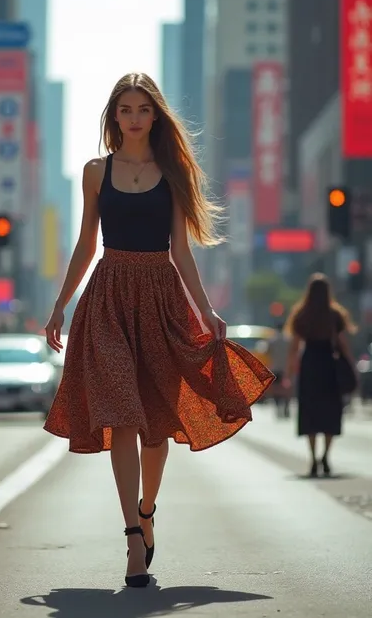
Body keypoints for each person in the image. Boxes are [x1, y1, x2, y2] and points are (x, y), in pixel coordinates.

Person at [43, 73, 274, 588]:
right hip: (108, 296)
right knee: (122, 413)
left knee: (154, 425)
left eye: (143, 109)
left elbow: (182, 251)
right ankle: (131, 538)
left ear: (155, 116)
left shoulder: (172, 173)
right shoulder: (94, 172)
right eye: (125, 109)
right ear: (114, 117)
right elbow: (85, 244)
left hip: (161, 298)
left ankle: (148, 508)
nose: (134, 117)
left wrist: (207, 310)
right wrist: (60, 305)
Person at [284, 273, 357, 478]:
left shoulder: (302, 314)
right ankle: (326, 455)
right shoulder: (335, 314)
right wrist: (350, 366)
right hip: (328, 366)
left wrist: (290, 374)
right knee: (330, 412)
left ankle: (313, 457)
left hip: (309, 365)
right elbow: (343, 344)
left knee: (310, 412)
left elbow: (294, 346)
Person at [266, 322, 291, 419]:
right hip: (286, 367)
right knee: (286, 388)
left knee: (276, 388)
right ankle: (286, 405)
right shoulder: (288, 340)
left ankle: (278, 406)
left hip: (275, 367)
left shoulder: (272, 341)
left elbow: (267, 351)